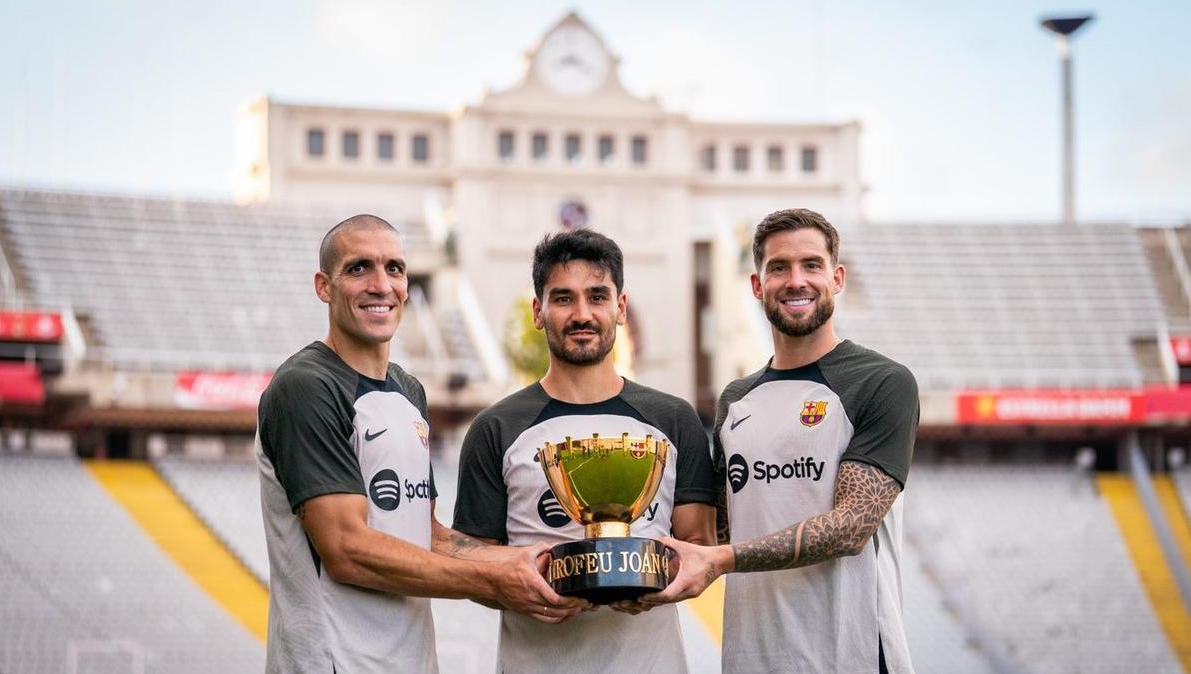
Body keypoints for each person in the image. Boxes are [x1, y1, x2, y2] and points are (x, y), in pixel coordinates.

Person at [255, 215, 584, 674]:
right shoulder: (306, 385)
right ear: (323, 286)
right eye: (358, 268)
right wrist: (494, 578)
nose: (380, 285)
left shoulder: (407, 390)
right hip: (333, 662)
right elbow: (346, 549)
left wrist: (551, 563)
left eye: (394, 268)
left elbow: (427, 536)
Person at [643, 208, 919, 674]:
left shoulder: (881, 382)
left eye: (811, 265)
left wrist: (721, 558)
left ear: (837, 277)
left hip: (851, 656)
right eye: (779, 268)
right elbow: (718, 531)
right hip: (751, 656)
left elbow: (850, 527)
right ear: (757, 285)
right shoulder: (736, 400)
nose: (796, 281)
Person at [452, 229, 717, 673]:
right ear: (538, 311)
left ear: (621, 308)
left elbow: (698, 544)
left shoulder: (674, 420)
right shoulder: (496, 428)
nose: (582, 314)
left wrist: (653, 577)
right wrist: (520, 584)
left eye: (597, 296)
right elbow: (470, 560)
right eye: (563, 298)